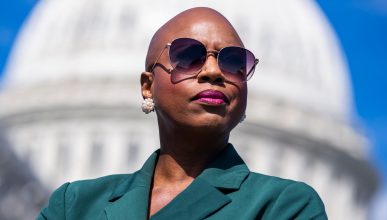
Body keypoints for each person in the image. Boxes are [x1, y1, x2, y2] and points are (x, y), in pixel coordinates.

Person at [37, 7, 327, 220]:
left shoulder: (284, 206)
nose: (213, 72)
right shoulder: (74, 205)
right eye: (188, 56)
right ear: (148, 86)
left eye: (234, 62)